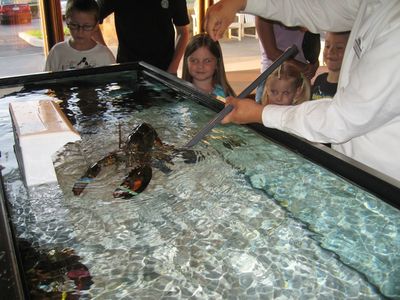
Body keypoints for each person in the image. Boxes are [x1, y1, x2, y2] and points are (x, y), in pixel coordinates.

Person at [205, 0, 400, 182]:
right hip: (354, 169)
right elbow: (318, 8)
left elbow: (340, 119)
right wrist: (242, 2)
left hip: (384, 182)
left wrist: (260, 113)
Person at [94, 1, 190, 75]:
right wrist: (106, 52)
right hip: (128, 69)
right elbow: (90, 19)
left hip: (164, 70)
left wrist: (172, 68)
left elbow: (183, 32)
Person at [255, 17, 320, 102]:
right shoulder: (263, 14)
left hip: (299, 77)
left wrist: (314, 63)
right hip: (274, 76)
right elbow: (271, 53)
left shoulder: (303, 9)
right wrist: (303, 67)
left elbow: (312, 44)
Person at [44, 0, 115, 72]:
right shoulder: (57, 52)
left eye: (87, 26)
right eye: (74, 25)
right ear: (66, 21)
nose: (80, 31)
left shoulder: (105, 55)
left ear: (96, 26)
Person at [181, 33, 235, 99]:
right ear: (186, 62)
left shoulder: (224, 97)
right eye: (194, 60)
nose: (200, 66)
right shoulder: (179, 94)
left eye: (207, 61)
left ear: (217, 63)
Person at [312, 31, 350, 100]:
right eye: (327, 46)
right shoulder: (319, 79)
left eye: (339, 48)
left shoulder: (348, 86)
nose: (330, 51)